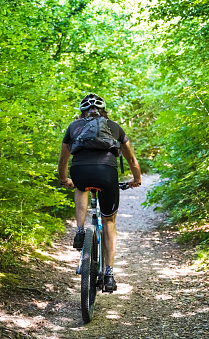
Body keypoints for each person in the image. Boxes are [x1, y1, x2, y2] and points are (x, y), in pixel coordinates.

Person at [58, 93, 142, 292]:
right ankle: (109, 274)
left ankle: (79, 230)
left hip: (80, 172)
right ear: (103, 111)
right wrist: (136, 180)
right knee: (109, 221)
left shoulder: (73, 127)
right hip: (107, 174)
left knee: (80, 186)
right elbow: (132, 161)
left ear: (82, 111)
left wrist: (64, 180)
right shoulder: (115, 127)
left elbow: (63, 162)